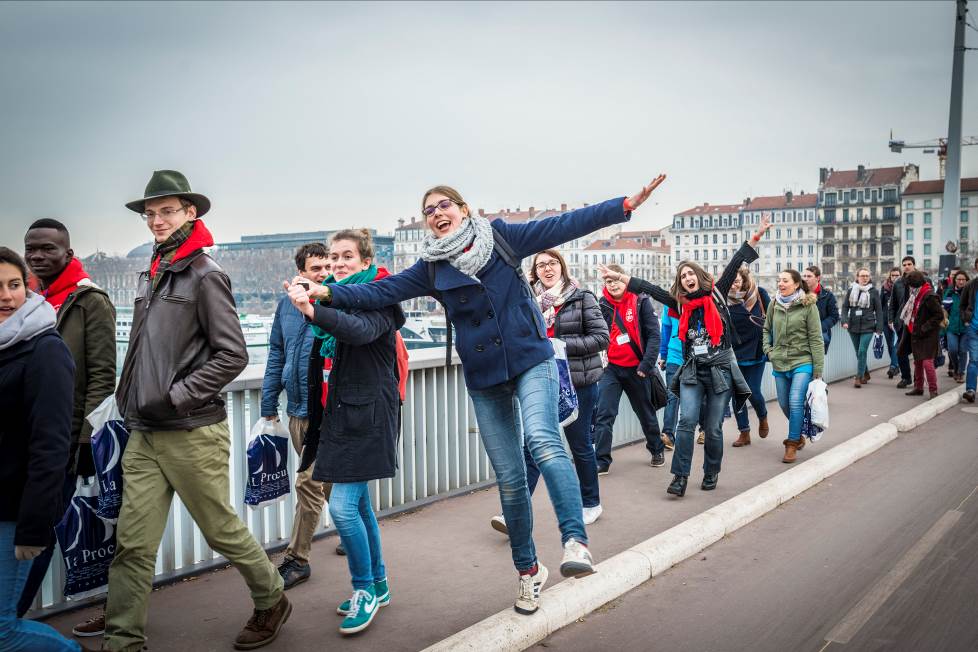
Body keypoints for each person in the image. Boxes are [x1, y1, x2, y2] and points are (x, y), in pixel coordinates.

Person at [300, 176, 666, 615]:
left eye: (443, 205)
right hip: (484, 374)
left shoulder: (501, 238)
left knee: (544, 441)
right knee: (510, 479)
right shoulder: (432, 268)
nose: (436, 214)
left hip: (530, 357)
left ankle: (575, 542)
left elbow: (565, 224)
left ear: (463, 209)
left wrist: (623, 205)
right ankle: (529, 572)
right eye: (428, 211)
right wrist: (326, 292)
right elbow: (380, 291)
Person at [107, 170, 289, 652]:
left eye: (167, 211)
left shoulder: (205, 274)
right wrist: (130, 400)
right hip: (145, 430)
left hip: (191, 430)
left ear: (190, 212)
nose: (157, 220)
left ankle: (272, 597)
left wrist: (177, 396)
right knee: (133, 543)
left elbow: (233, 354)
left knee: (219, 530)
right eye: (151, 213)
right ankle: (122, 640)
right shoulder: (154, 271)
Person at [598, 214, 771, 497]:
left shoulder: (717, 294)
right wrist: (620, 277)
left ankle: (711, 470)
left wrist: (757, 235)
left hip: (720, 370)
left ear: (699, 277)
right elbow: (650, 289)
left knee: (712, 428)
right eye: (682, 276)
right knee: (686, 422)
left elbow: (736, 262)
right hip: (693, 370)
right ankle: (679, 476)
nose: (687, 278)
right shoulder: (680, 305)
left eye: (691, 274)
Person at [285, 229, 402, 635]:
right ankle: (379, 585)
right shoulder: (333, 300)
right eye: (333, 257)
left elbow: (359, 331)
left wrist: (314, 309)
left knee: (344, 508)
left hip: (368, 418)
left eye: (347, 256)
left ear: (366, 261)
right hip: (340, 418)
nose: (337, 263)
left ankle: (363, 589)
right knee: (361, 507)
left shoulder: (380, 297)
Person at [18, 220, 117, 635]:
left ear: (68, 253)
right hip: (25, 439)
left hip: (65, 440)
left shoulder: (89, 302)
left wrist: (87, 442)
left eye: (48, 249)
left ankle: (12, 618)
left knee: (40, 531)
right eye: (32, 249)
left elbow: (102, 376)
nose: (38, 256)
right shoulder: (27, 300)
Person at [0, 248, 86, 652]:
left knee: (3, 632)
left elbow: (51, 446)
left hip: (13, 513)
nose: (6, 296)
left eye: (14, 285)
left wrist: (34, 527)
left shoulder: (44, 349)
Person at [492, 249, 607, 534]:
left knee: (580, 445)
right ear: (535, 273)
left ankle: (591, 503)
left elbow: (601, 337)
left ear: (561, 267)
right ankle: (513, 514)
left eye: (552, 263)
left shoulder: (582, 297)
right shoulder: (528, 301)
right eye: (541, 265)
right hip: (541, 383)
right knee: (533, 446)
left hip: (578, 383)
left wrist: (561, 346)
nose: (547, 268)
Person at [262, 243, 342, 591]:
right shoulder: (286, 306)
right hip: (296, 410)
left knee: (307, 483)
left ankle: (297, 560)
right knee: (329, 482)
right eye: (316, 269)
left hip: (328, 411)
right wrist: (268, 402)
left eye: (327, 267)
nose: (323, 273)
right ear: (301, 272)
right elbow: (276, 352)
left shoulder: (337, 299)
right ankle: (354, 532)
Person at [593, 262, 663, 474]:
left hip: (637, 368)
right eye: (608, 281)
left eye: (616, 280)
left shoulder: (640, 301)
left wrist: (646, 364)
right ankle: (602, 460)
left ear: (624, 280)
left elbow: (654, 335)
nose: (613, 285)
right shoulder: (602, 304)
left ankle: (656, 449)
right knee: (604, 413)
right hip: (611, 369)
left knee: (645, 413)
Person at [762, 270, 825, 464]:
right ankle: (799, 432)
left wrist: (818, 370)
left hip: (802, 360)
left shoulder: (808, 305)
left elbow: (816, 338)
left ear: (796, 284)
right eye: (779, 280)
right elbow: (766, 329)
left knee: (796, 400)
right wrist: (769, 351)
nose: (780, 283)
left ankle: (792, 443)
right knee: (784, 403)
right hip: (780, 361)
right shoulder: (774, 304)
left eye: (785, 280)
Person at [727, 266, 771, 447]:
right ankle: (744, 432)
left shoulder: (759, 293)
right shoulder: (723, 299)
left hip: (756, 348)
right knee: (737, 393)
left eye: (736, 281)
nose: (733, 286)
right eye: (730, 282)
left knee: (752, 389)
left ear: (743, 280)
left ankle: (763, 416)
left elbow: (772, 319)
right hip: (734, 350)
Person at [898, 271, 943, 399]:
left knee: (927, 363)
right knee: (917, 361)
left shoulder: (929, 296)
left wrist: (924, 328)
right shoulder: (916, 294)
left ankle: (933, 390)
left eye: (910, 285)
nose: (909, 288)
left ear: (915, 285)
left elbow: (939, 315)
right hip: (916, 333)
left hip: (927, 335)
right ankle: (918, 387)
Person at [841, 267, 884, 389]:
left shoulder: (874, 292)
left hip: (868, 326)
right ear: (857, 277)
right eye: (862, 276)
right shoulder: (851, 290)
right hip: (853, 326)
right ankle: (866, 373)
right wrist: (844, 321)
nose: (865, 278)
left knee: (862, 351)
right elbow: (845, 307)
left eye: (867, 276)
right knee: (858, 352)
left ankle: (859, 377)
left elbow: (879, 311)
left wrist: (879, 328)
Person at [887, 256, 920, 389]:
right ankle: (906, 378)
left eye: (909, 264)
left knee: (918, 353)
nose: (906, 266)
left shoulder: (923, 280)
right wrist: (891, 320)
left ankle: (918, 380)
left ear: (914, 265)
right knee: (900, 352)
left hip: (918, 323)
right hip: (901, 323)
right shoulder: (898, 283)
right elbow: (892, 304)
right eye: (904, 264)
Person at [657, 304, 683, 451]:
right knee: (672, 395)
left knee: (700, 396)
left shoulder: (701, 299)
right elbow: (666, 329)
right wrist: (664, 355)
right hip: (674, 355)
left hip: (697, 356)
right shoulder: (669, 302)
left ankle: (704, 429)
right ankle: (668, 435)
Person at [801, 266, 838, 354]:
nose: (805, 279)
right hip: (800, 335)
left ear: (818, 278)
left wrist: (819, 327)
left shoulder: (828, 295)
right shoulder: (798, 294)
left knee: (817, 361)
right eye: (804, 276)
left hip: (819, 335)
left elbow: (834, 316)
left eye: (809, 276)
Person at [942, 270, 970, 384]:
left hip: (966, 327)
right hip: (951, 327)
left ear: (967, 280)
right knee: (952, 350)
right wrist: (944, 323)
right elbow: (944, 309)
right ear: (955, 281)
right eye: (959, 279)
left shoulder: (970, 293)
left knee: (963, 351)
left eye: (963, 279)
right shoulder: (949, 292)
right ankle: (956, 367)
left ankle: (961, 373)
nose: (961, 281)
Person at [880, 267, 902, 378]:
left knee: (895, 344)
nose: (894, 277)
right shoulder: (885, 287)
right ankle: (895, 365)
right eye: (893, 275)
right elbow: (880, 305)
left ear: (900, 275)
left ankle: (893, 366)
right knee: (890, 344)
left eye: (897, 275)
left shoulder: (903, 287)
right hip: (885, 320)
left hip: (898, 320)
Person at [960, 272, 978, 403]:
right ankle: (971, 390)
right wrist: (966, 320)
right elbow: (962, 305)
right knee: (973, 359)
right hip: (973, 328)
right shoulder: (971, 285)